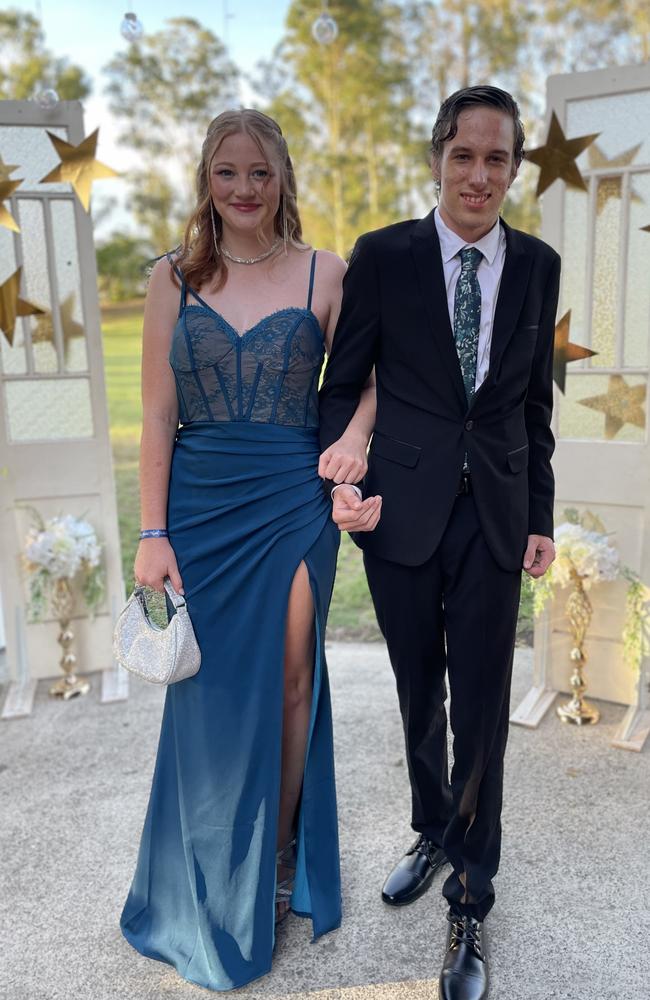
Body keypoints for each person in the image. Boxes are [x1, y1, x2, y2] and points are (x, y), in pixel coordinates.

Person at [120, 108, 380, 992]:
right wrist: (152, 533)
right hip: (198, 506)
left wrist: (357, 446)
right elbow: (157, 414)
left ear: (282, 179)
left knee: (293, 679)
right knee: (206, 694)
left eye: (259, 173)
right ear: (207, 177)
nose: (243, 189)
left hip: (290, 498)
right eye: (227, 172)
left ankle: (272, 863)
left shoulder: (327, 271)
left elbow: (366, 385)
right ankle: (202, 870)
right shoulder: (170, 277)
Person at [318, 86, 560, 1000]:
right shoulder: (383, 256)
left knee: (484, 705)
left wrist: (538, 513)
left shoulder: (538, 264)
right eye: (465, 155)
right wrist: (347, 477)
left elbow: (534, 405)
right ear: (437, 157)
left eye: (498, 159)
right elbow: (344, 388)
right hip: (402, 513)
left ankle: (471, 893)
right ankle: (430, 826)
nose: (480, 175)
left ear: (514, 169)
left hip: (496, 515)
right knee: (418, 687)